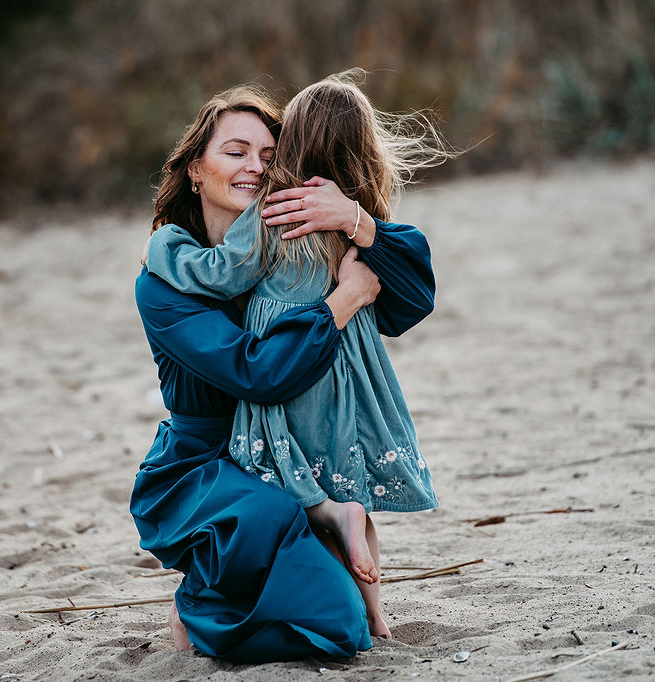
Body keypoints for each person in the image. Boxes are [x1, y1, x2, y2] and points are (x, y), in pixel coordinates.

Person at [131, 82, 436, 661]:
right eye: (235, 151)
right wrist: (343, 301)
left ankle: (298, 558)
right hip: (206, 467)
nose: (254, 167)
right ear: (195, 168)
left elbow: (414, 297)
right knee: (332, 619)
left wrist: (355, 219)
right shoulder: (166, 279)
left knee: (343, 623)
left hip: (285, 450)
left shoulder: (296, 246)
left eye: (269, 156)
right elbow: (258, 373)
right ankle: (203, 594)